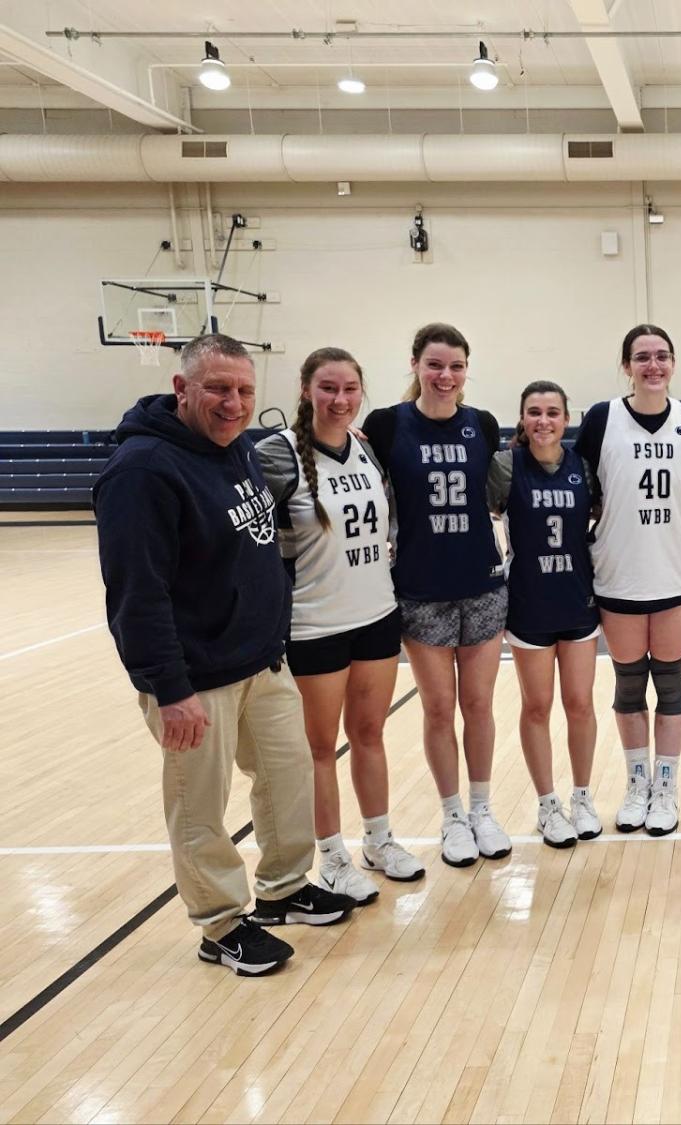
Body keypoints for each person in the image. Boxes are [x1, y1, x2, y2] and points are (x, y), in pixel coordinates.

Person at [94, 333, 354, 978]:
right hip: (193, 678)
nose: (233, 402)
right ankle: (220, 923)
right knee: (199, 807)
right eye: (217, 388)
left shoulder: (235, 449)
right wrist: (168, 687)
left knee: (287, 778)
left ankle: (285, 888)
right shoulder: (142, 472)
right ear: (182, 389)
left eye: (243, 389)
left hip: (260, 661)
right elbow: (137, 593)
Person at [255, 348, 425, 904]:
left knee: (371, 735)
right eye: (328, 388)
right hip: (313, 625)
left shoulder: (367, 452)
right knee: (319, 748)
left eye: (351, 388)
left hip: (376, 615)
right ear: (306, 389)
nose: (341, 399)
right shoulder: (274, 456)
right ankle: (331, 856)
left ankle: (379, 840)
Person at [361, 323, 511, 868]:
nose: (445, 376)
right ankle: (451, 817)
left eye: (455, 367)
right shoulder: (385, 425)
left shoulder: (483, 425)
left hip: (483, 585)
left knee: (479, 705)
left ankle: (482, 810)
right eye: (434, 365)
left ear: (466, 370)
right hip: (421, 592)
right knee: (439, 708)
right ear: (416, 366)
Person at [575, 325, 681, 836]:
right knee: (629, 687)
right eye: (642, 357)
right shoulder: (602, 418)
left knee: (671, 684)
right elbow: (573, 478)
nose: (653, 365)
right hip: (618, 572)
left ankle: (665, 787)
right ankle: (636, 785)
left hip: (673, 570)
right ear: (626, 365)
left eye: (662, 356)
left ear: (674, 363)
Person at [487, 380, 602, 849]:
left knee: (580, 704)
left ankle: (582, 795)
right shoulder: (505, 466)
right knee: (537, 707)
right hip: (529, 602)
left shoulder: (582, 467)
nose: (543, 421)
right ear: (522, 418)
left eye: (552, 412)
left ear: (566, 419)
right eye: (534, 412)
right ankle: (547, 803)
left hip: (577, 599)